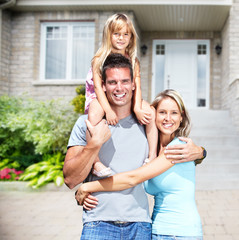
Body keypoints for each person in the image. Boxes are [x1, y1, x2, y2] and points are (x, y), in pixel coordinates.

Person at [63, 53, 206, 240]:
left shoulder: (147, 125)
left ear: (133, 85)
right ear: (103, 86)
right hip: (99, 223)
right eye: (113, 82)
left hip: (141, 227)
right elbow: (70, 180)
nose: (119, 87)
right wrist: (94, 144)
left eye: (125, 81)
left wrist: (201, 152)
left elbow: (137, 174)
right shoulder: (87, 124)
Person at [85, 13, 158, 177]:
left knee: (151, 112)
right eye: (116, 34)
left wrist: (138, 108)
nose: (121, 38)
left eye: (126, 34)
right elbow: (97, 87)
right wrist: (108, 110)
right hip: (101, 97)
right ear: (108, 35)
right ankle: (95, 162)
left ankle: (152, 155)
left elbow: (137, 86)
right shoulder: (99, 58)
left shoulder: (133, 59)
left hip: (126, 97)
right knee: (94, 114)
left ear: (131, 37)